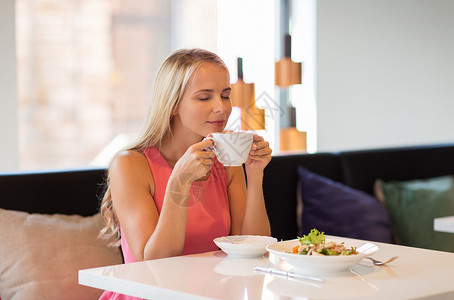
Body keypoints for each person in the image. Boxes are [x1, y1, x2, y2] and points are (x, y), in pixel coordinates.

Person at [98, 48, 272, 299]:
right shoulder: (129, 165)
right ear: (172, 105)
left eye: (225, 95)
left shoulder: (226, 158)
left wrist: (255, 175)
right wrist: (179, 182)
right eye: (204, 98)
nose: (221, 108)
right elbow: (154, 264)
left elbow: (253, 248)